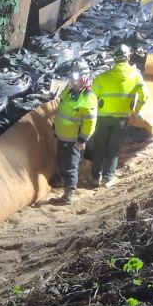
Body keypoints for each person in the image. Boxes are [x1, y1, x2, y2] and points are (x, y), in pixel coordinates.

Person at [89, 45, 148, 188]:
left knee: (100, 148)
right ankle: (107, 178)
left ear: (114, 59)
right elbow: (145, 95)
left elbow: (91, 97)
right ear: (128, 57)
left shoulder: (103, 77)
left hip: (102, 118)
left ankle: (95, 177)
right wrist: (137, 110)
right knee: (113, 149)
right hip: (121, 119)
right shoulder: (136, 76)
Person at [51, 62, 98, 205]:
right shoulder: (69, 92)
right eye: (72, 77)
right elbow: (61, 105)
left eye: (77, 78)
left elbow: (90, 123)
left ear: (84, 78)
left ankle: (68, 195)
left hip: (74, 140)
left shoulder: (89, 97)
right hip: (62, 137)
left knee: (71, 167)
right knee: (62, 163)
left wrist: (82, 140)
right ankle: (63, 184)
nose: (74, 81)